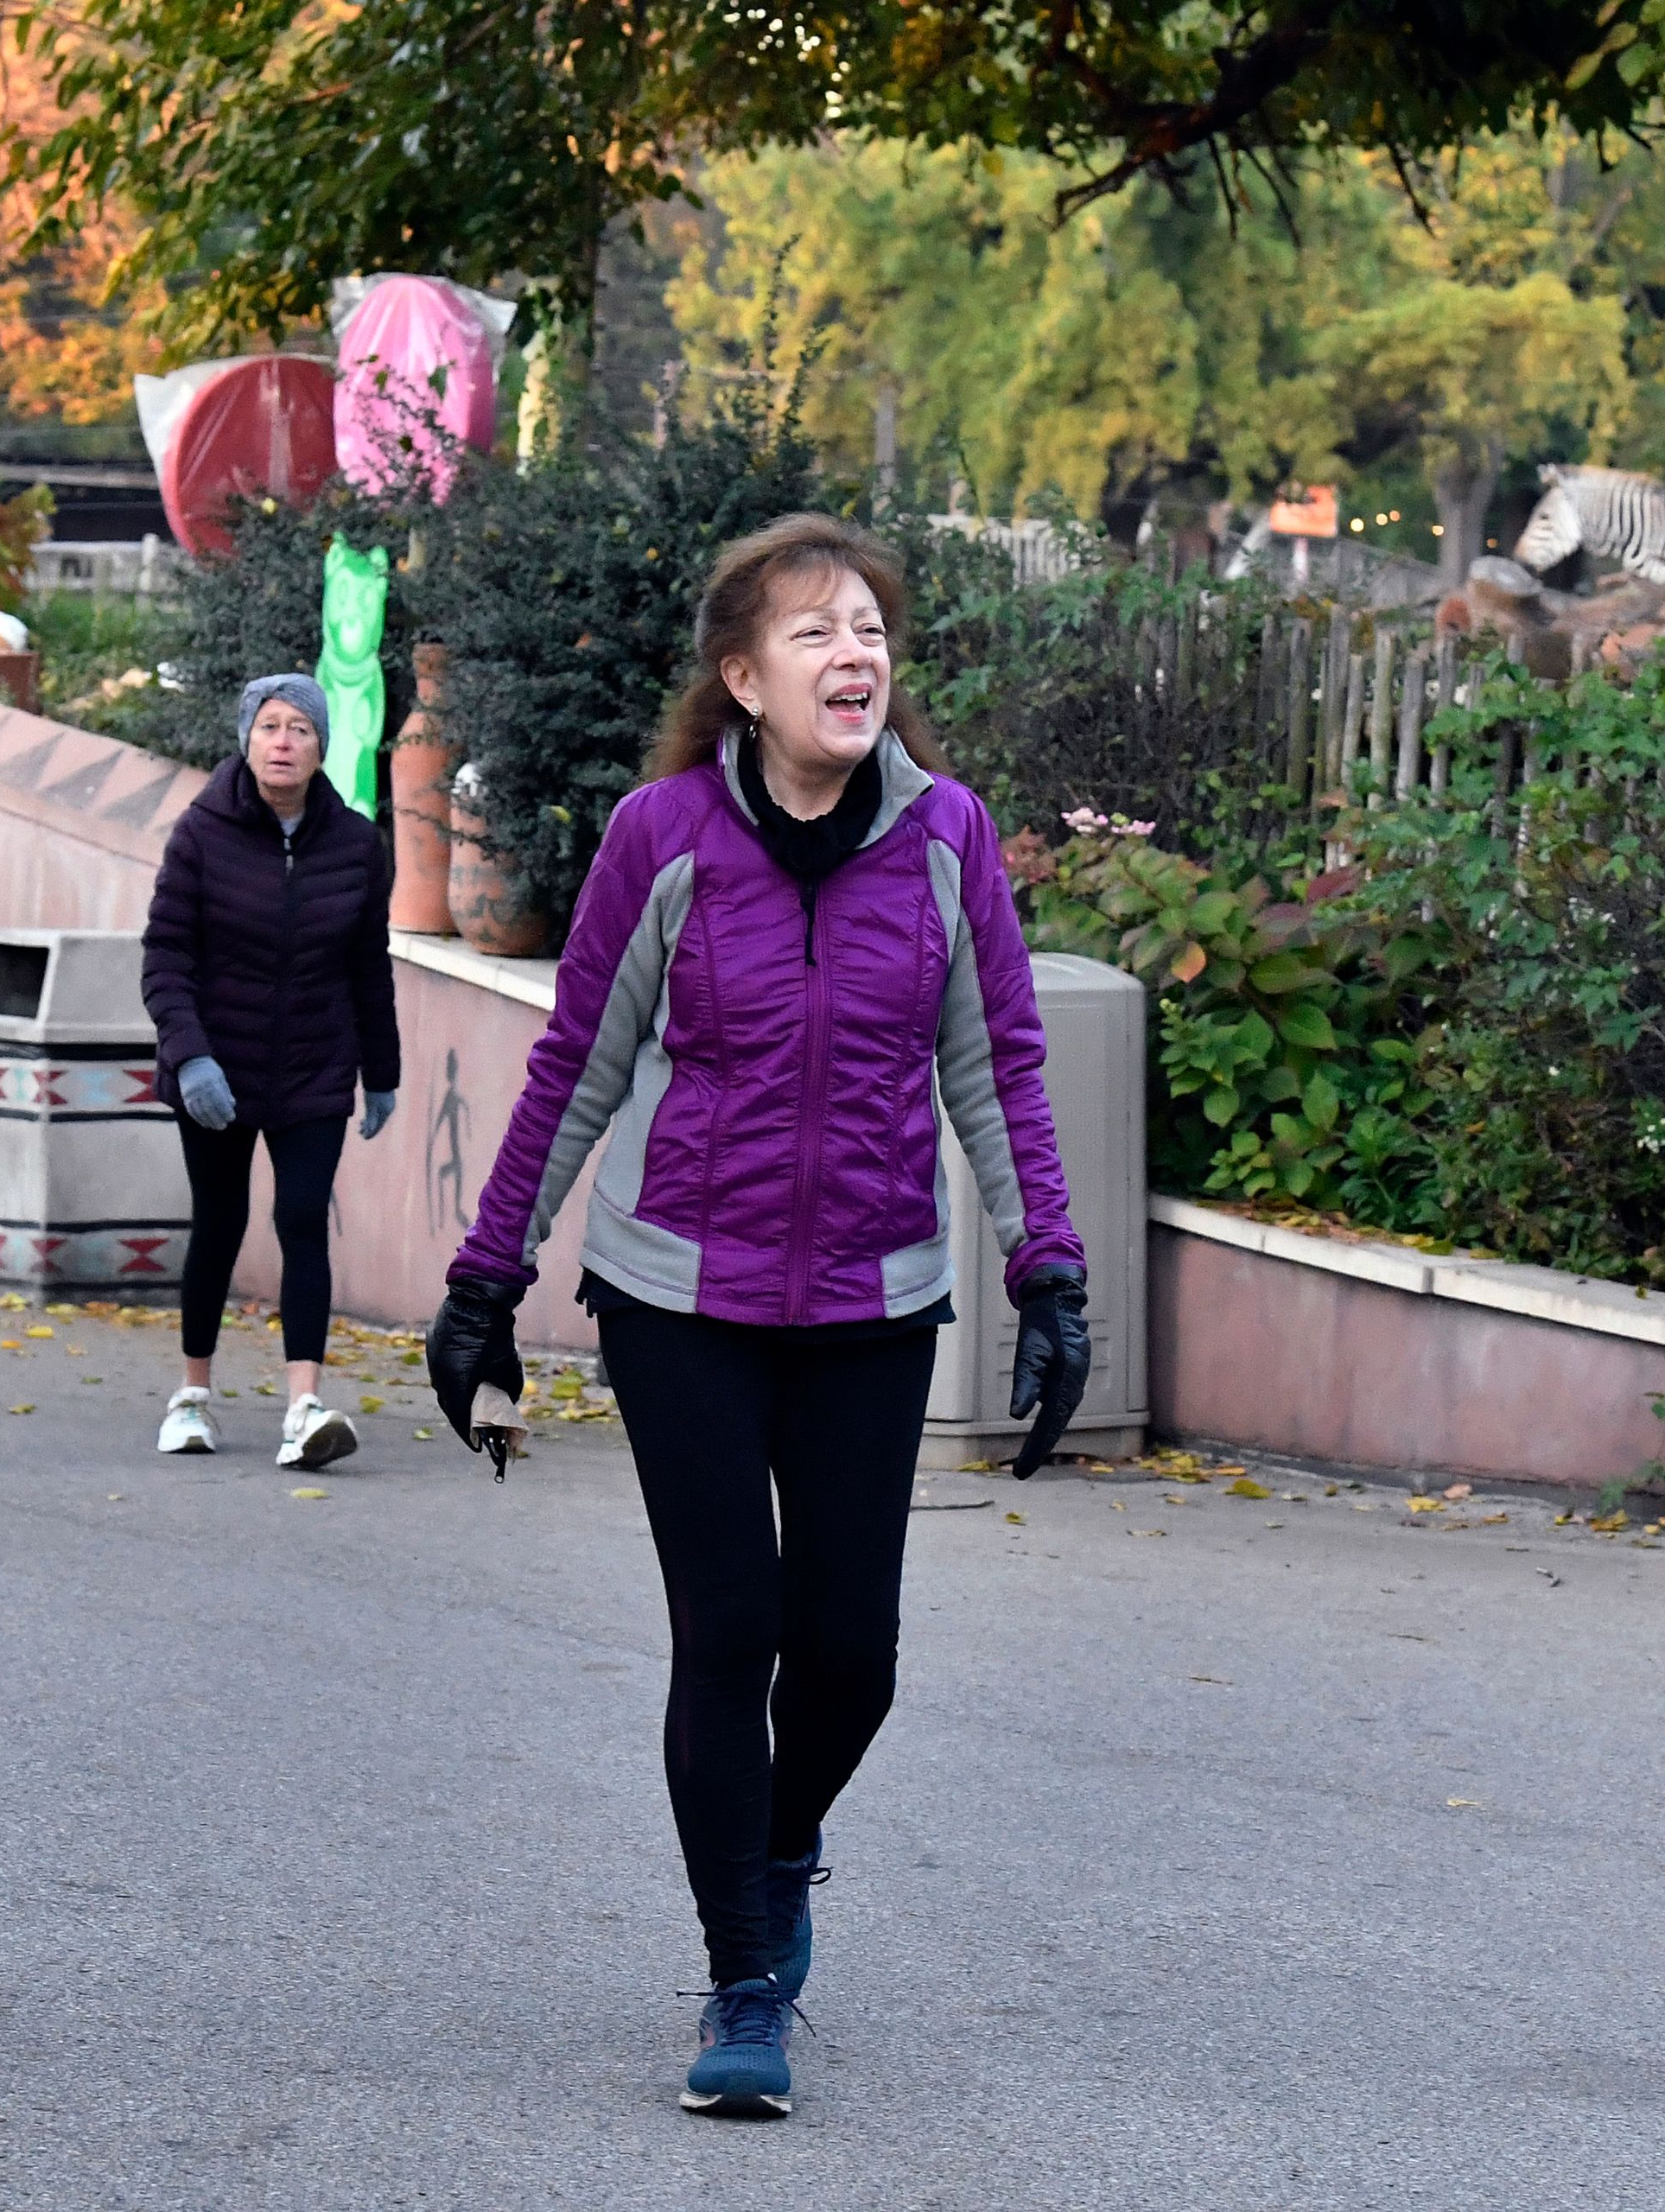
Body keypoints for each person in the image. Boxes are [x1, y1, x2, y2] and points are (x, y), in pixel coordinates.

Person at [426, 514, 1091, 2119]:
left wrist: (1046, 1268)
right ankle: (741, 1979)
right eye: (814, 632)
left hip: (873, 1296)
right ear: (741, 678)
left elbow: (993, 1065)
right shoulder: (662, 838)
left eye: (868, 628)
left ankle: (782, 1845)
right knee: (732, 1628)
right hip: (682, 1293)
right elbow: (578, 1065)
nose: (854, 653)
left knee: (850, 1653)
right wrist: (483, 1280)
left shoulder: (946, 840)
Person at [137, 672, 400, 1469]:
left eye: (302, 730)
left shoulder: (357, 845)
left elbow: (368, 968)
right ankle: (192, 1395)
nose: (283, 742)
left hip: (314, 1069)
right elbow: (165, 959)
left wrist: (381, 1073)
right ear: (246, 738)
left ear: (323, 749)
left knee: (301, 1220)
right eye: (270, 727)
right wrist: (191, 1058)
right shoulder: (202, 833)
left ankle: (304, 1405)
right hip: (216, 1069)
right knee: (218, 1223)